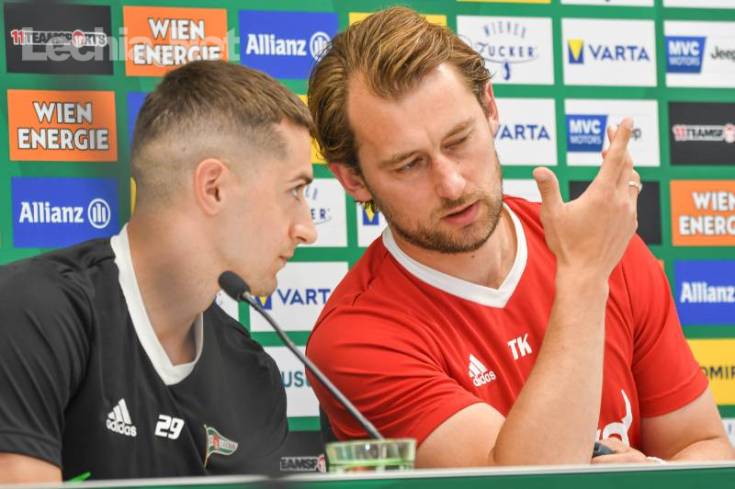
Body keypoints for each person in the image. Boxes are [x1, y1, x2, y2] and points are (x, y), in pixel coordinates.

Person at [306, 7, 734, 467]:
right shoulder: (355, 337)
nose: (451, 184)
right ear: (353, 179)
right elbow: (519, 478)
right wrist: (584, 278)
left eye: (459, 140)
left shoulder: (606, 250)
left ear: (490, 108)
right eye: (409, 165)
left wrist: (652, 473)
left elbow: (705, 447)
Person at [0, 60, 317, 482]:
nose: (308, 229)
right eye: (294, 191)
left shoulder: (252, 374)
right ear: (214, 188)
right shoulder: (33, 312)